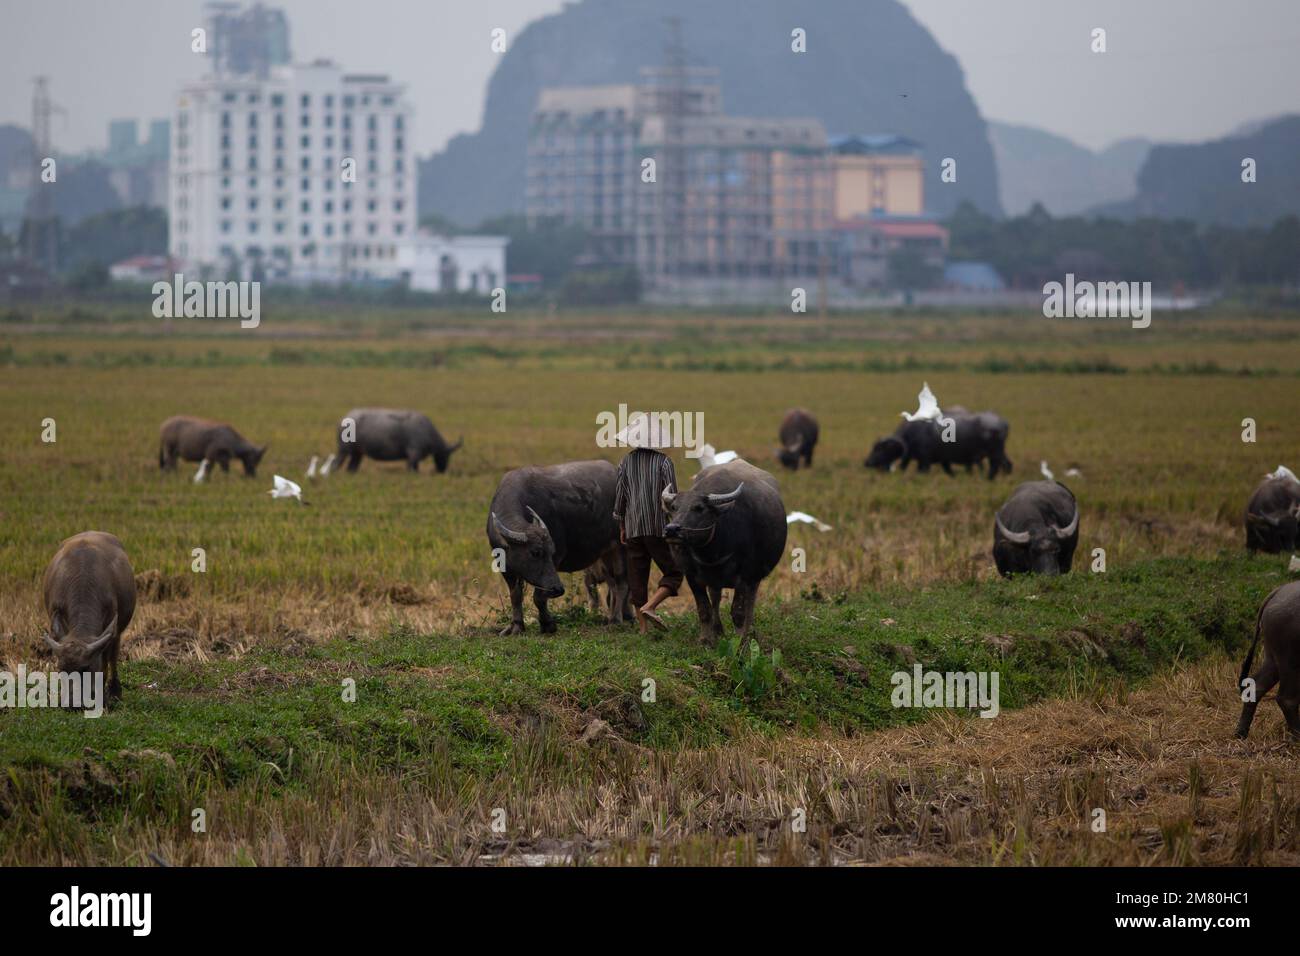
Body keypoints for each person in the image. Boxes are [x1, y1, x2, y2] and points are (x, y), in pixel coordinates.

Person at [612, 412, 683, 634]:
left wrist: (622, 525)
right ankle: (651, 606)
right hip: (658, 528)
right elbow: (671, 497)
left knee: (637, 576)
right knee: (675, 572)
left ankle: (643, 629)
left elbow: (621, 496)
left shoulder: (625, 462)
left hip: (633, 528)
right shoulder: (664, 462)